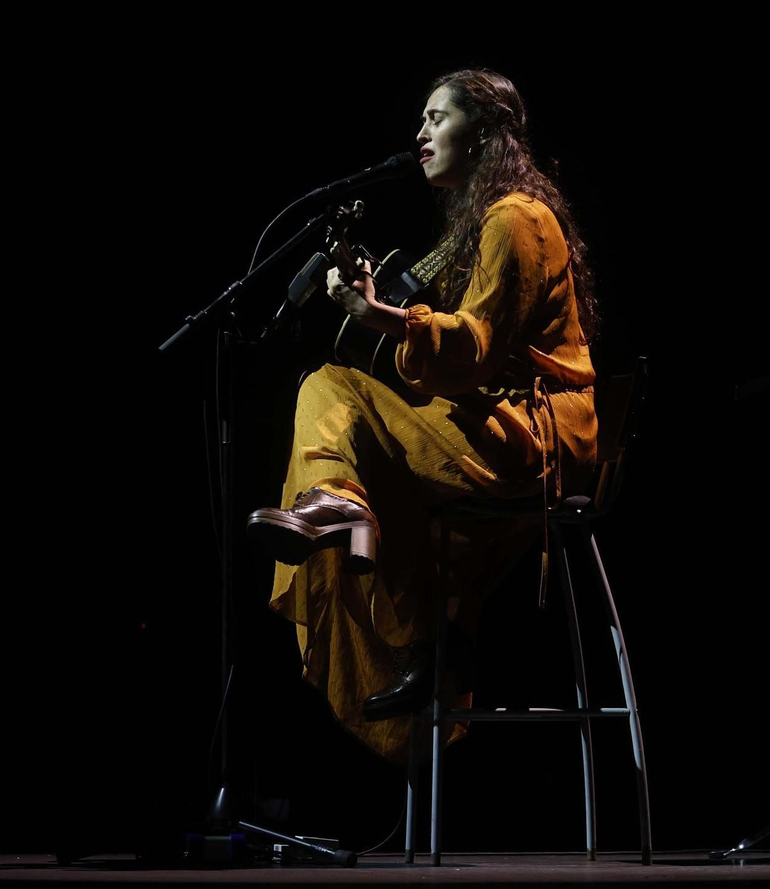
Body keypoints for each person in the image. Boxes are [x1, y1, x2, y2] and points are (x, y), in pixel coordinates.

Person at [247, 69, 600, 764]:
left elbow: (471, 346)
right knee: (365, 442)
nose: (420, 135)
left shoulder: (516, 218)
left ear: (488, 135)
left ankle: (340, 510)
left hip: (527, 444)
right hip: (497, 434)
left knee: (326, 387)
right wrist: (385, 305)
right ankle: (427, 644)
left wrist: (381, 315)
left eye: (438, 118)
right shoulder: (484, 221)